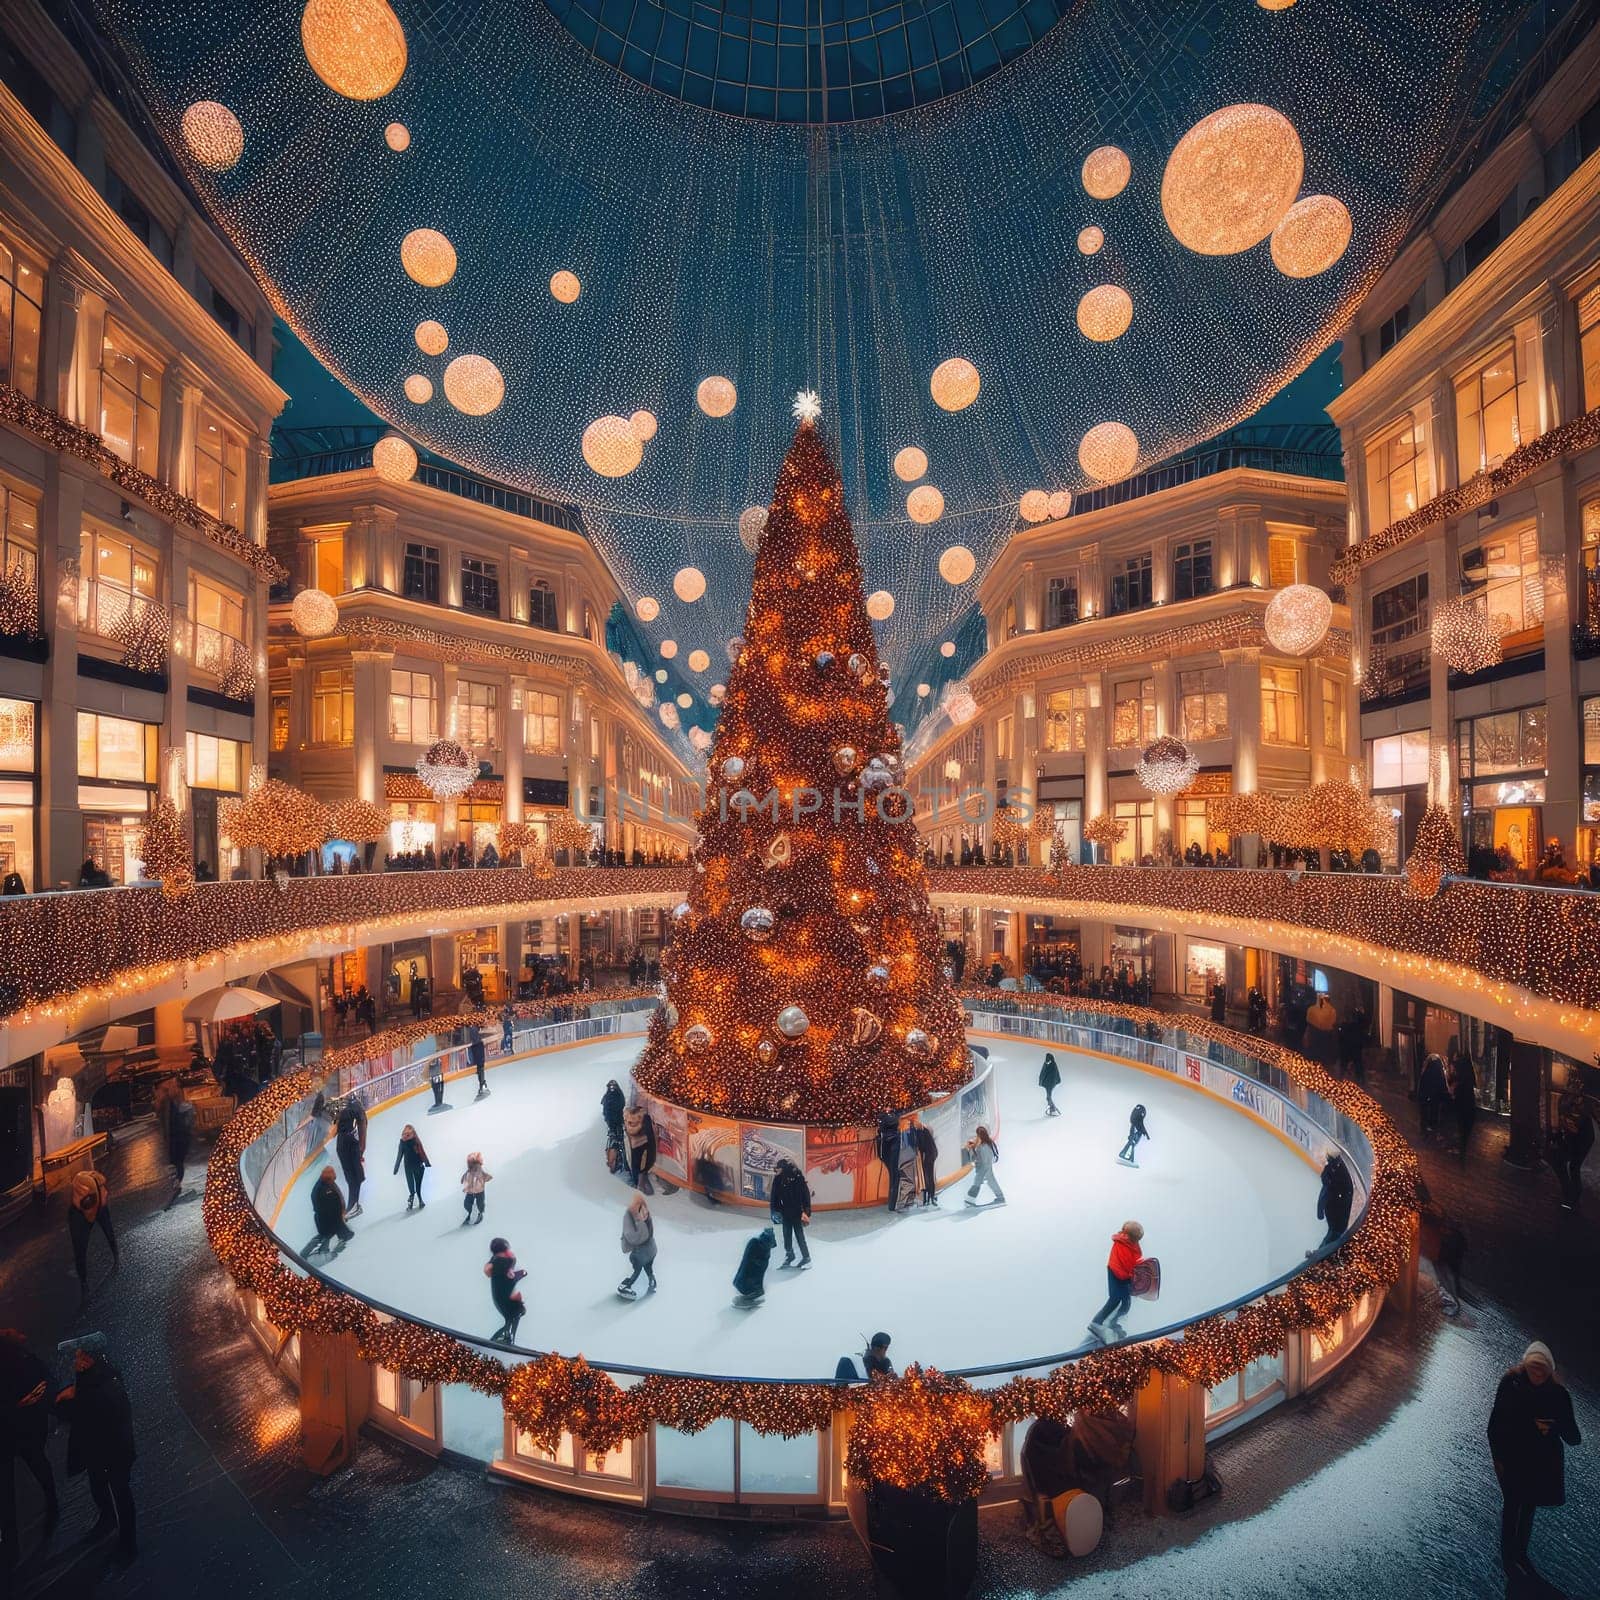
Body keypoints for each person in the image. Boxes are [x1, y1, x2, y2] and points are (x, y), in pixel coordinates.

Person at [1487, 1341, 1581, 1584]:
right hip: (1514, 1457)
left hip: (1540, 1465)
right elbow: (1495, 1424)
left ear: (1550, 1371)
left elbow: (1574, 1437)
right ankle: (1510, 1557)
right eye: (1533, 1368)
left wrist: (1552, 1426)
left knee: (1527, 1508)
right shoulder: (1511, 1383)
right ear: (1525, 1366)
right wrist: (1497, 1458)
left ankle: (1520, 1554)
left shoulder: (1559, 1395)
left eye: (1542, 1370)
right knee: (1512, 1504)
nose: (1537, 1374)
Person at [55, 1337, 136, 1563]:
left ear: (89, 1360)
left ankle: (128, 1543)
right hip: (103, 1448)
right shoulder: (97, 1378)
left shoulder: (103, 1385)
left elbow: (85, 1413)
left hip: (113, 1448)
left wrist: (69, 1399)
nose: (75, 1361)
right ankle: (109, 1520)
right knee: (100, 1485)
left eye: (79, 1357)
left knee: (120, 1491)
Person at [0, 1329, 58, 1573]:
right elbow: (48, 1384)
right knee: (38, 1464)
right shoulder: (28, 1363)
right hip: (26, 1432)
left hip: (6, 1435)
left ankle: (10, 1546)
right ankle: (52, 1502)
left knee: (5, 1491)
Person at [1088, 1221, 1144, 1343]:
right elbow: (1122, 1266)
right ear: (1128, 1236)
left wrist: (1136, 1281)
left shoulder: (1133, 1245)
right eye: (1135, 1238)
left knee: (1126, 1304)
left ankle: (1113, 1324)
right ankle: (1097, 1324)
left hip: (1125, 1277)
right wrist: (1130, 1278)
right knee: (1115, 1299)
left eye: (1138, 1239)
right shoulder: (1121, 1244)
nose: (1137, 1241)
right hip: (1116, 1274)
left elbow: (1135, 1262)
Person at [67, 1168, 118, 1297]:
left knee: (108, 1231)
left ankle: (116, 1256)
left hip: (95, 1208)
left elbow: (102, 1198)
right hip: (80, 1215)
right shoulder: (78, 1210)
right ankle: (83, 1283)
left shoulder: (99, 1194)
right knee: (80, 1250)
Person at [1551, 1084, 1594, 1213]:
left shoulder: (1583, 1107)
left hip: (1582, 1140)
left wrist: (1565, 1124)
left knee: (1573, 1166)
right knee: (1562, 1163)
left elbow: (1575, 1127)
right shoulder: (1565, 1101)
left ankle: (1572, 1197)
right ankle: (1570, 1194)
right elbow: (1562, 1120)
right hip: (1574, 1137)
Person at [769, 1157, 812, 1266]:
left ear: (782, 1168)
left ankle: (806, 1257)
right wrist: (775, 1210)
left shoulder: (797, 1177)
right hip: (787, 1212)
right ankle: (790, 1255)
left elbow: (805, 1195)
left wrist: (806, 1212)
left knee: (799, 1235)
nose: (776, 1172)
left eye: (777, 1169)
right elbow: (775, 1197)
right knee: (787, 1235)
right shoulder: (779, 1179)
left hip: (797, 1212)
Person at [485, 1238, 527, 1344]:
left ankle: (507, 1338)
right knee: (513, 1316)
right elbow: (491, 1270)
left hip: (505, 1297)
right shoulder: (501, 1262)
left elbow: (508, 1276)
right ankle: (506, 1339)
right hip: (504, 1299)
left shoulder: (501, 1261)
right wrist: (519, 1274)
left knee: (513, 1317)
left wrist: (519, 1273)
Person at [306, 1166, 353, 1256]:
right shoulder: (324, 1189)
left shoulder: (327, 1185)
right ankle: (321, 1251)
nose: (333, 1181)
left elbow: (338, 1200)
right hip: (328, 1219)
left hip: (328, 1218)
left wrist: (341, 1214)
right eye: (332, 1179)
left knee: (328, 1234)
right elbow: (331, 1205)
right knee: (328, 1235)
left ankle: (317, 1249)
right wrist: (340, 1216)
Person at [617, 1193, 657, 1298]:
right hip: (640, 1252)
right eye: (642, 1212)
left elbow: (649, 1235)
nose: (645, 1214)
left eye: (645, 1212)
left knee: (647, 1267)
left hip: (648, 1250)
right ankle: (625, 1286)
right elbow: (633, 1237)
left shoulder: (647, 1220)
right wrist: (640, 1222)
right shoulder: (631, 1220)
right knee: (637, 1269)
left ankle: (651, 1280)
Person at [1313, 1149, 1354, 1251]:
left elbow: (1325, 1193)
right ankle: (1321, 1251)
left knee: (1334, 1232)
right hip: (1337, 1208)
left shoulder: (1332, 1174)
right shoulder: (1333, 1173)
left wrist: (1320, 1211)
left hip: (1337, 1208)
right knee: (1334, 1232)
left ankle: (1321, 1252)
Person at [335, 1096, 368, 1216]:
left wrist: (361, 1148)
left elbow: (362, 1125)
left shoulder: (355, 1108)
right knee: (350, 1175)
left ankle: (354, 1204)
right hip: (344, 1144)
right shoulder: (346, 1106)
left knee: (354, 1174)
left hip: (351, 1144)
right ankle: (352, 1203)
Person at [732, 1225, 776, 1308]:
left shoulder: (755, 1242)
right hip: (748, 1285)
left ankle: (749, 1295)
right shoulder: (757, 1244)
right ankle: (748, 1295)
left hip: (745, 1284)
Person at [165, 1088, 195, 1204]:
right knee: (176, 1123)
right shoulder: (179, 1175)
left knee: (177, 1161)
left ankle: (172, 1102)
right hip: (179, 1142)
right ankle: (176, 1182)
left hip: (179, 1142)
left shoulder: (178, 1175)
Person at [963, 1125, 1005, 1206]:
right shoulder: (988, 1143)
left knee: (977, 1183)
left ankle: (969, 1201)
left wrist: (970, 1149)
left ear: (979, 1135)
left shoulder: (982, 1147)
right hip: (986, 1167)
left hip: (983, 1168)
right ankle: (1000, 1197)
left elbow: (974, 1159)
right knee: (990, 1182)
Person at [393, 1124, 430, 1209]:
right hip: (417, 1165)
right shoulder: (415, 1140)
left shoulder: (403, 1142)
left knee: (411, 1184)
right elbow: (421, 1152)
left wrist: (396, 1168)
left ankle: (412, 1199)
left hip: (409, 1166)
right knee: (417, 1184)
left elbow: (399, 1156)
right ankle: (419, 1199)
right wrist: (426, 1162)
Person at [623, 1103, 657, 1194]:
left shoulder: (627, 1117)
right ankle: (640, 1183)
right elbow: (650, 1134)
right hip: (644, 1142)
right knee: (643, 1163)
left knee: (636, 1163)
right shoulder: (645, 1118)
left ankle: (637, 1183)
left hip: (635, 1144)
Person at [1451, 1052, 1478, 1162]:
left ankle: (1462, 1151)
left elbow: (1457, 1097)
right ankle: (1462, 1149)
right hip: (1469, 1109)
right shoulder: (1468, 1079)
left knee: (1463, 1130)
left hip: (1463, 1109)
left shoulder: (1462, 1083)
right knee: (1465, 1131)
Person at [876, 1112, 901, 1211]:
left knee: (893, 1176)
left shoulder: (883, 1138)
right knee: (895, 1176)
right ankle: (892, 1204)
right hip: (892, 1158)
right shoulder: (896, 1138)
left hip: (887, 1157)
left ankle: (892, 1204)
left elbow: (881, 1154)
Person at [896, 1117, 922, 1211]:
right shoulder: (903, 1132)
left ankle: (908, 1203)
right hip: (906, 1154)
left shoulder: (908, 1131)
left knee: (909, 1180)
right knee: (907, 1180)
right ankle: (903, 1204)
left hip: (909, 1153)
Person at [1418, 1052, 1448, 1136]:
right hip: (1435, 1092)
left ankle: (1427, 1125)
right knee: (1434, 1108)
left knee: (1428, 1108)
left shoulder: (1428, 1064)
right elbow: (1442, 1079)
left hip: (1428, 1092)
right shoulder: (1438, 1064)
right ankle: (1432, 1124)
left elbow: (1423, 1080)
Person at [601, 1079, 626, 1175]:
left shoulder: (617, 1096)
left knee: (619, 1142)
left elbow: (622, 1106)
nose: (612, 1089)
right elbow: (606, 1112)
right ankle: (613, 1163)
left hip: (618, 1122)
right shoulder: (608, 1097)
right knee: (613, 1143)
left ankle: (619, 1161)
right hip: (612, 1124)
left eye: (613, 1087)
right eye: (610, 1087)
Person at [460, 1153, 491, 1224]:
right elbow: (466, 1174)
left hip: (479, 1190)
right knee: (466, 1203)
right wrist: (463, 1178)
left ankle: (480, 1214)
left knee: (480, 1202)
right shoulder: (470, 1169)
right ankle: (469, 1215)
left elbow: (481, 1173)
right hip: (471, 1190)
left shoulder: (478, 1167)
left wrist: (484, 1177)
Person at [916, 1117, 940, 1206]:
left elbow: (921, 1146)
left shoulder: (920, 1132)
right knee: (929, 1177)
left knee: (927, 1177)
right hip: (932, 1154)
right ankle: (931, 1197)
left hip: (928, 1156)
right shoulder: (926, 1129)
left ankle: (929, 1197)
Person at [1039, 1051, 1062, 1116]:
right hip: (1047, 1083)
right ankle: (1052, 1108)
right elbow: (1043, 1073)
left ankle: (1053, 1109)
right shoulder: (1047, 1064)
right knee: (1048, 1097)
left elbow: (1054, 1074)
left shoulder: (1052, 1065)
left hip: (1050, 1084)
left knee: (1048, 1097)